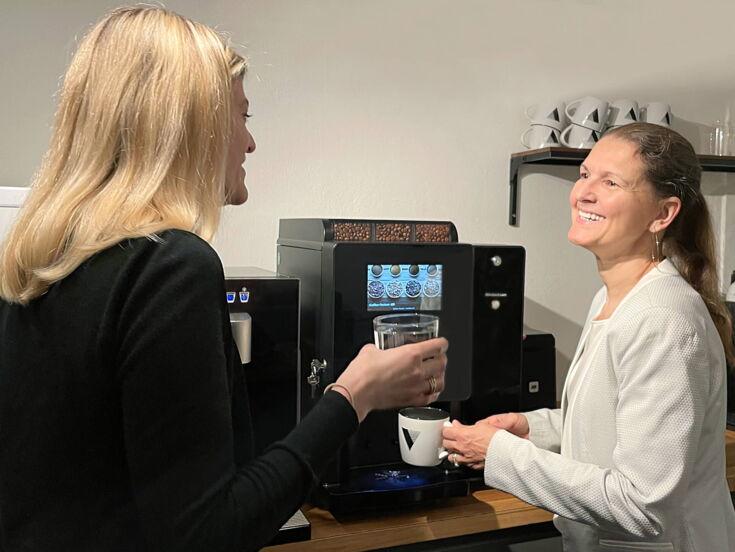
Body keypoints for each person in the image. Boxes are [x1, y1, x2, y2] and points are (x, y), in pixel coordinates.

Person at [0, 7, 448, 552]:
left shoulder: (39, 260)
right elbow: (209, 532)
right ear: (190, 123)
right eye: (243, 116)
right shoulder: (170, 267)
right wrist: (354, 395)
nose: (250, 144)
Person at [443, 122, 735, 551]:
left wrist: (500, 455)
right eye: (584, 175)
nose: (584, 193)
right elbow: (613, 421)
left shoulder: (663, 320)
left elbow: (642, 506)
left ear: (662, 214)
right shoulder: (612, 296)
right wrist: (530, 428)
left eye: (611, 182)